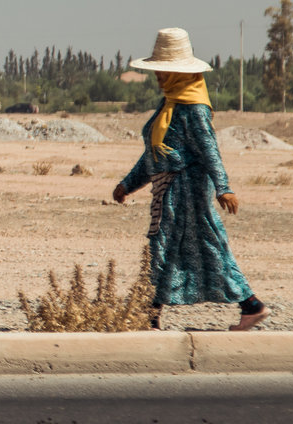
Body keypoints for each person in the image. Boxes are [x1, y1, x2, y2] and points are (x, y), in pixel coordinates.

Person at [112, 27, 268, 331]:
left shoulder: (193, 108)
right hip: (169, 190)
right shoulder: (170, 104)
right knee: (189, 248)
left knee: (168, 247)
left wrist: (223, 188)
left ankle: (150, 316)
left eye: (164, 70)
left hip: (187, 191)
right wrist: (128, 184)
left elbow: (209, 149)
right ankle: (249, 305)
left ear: (180, 73)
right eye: (158, 70)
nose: (159, 76)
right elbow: (156, 153)